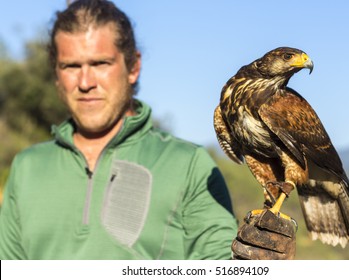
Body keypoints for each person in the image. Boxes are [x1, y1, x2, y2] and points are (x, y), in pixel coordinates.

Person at [0, 0, 295, 260]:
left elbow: (219, 265)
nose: (85, 81)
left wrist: (256, 265)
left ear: (133, 67)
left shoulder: (189, 164)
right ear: (56, 74)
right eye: (71, 66)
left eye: (100, 63)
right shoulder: (27, 167)